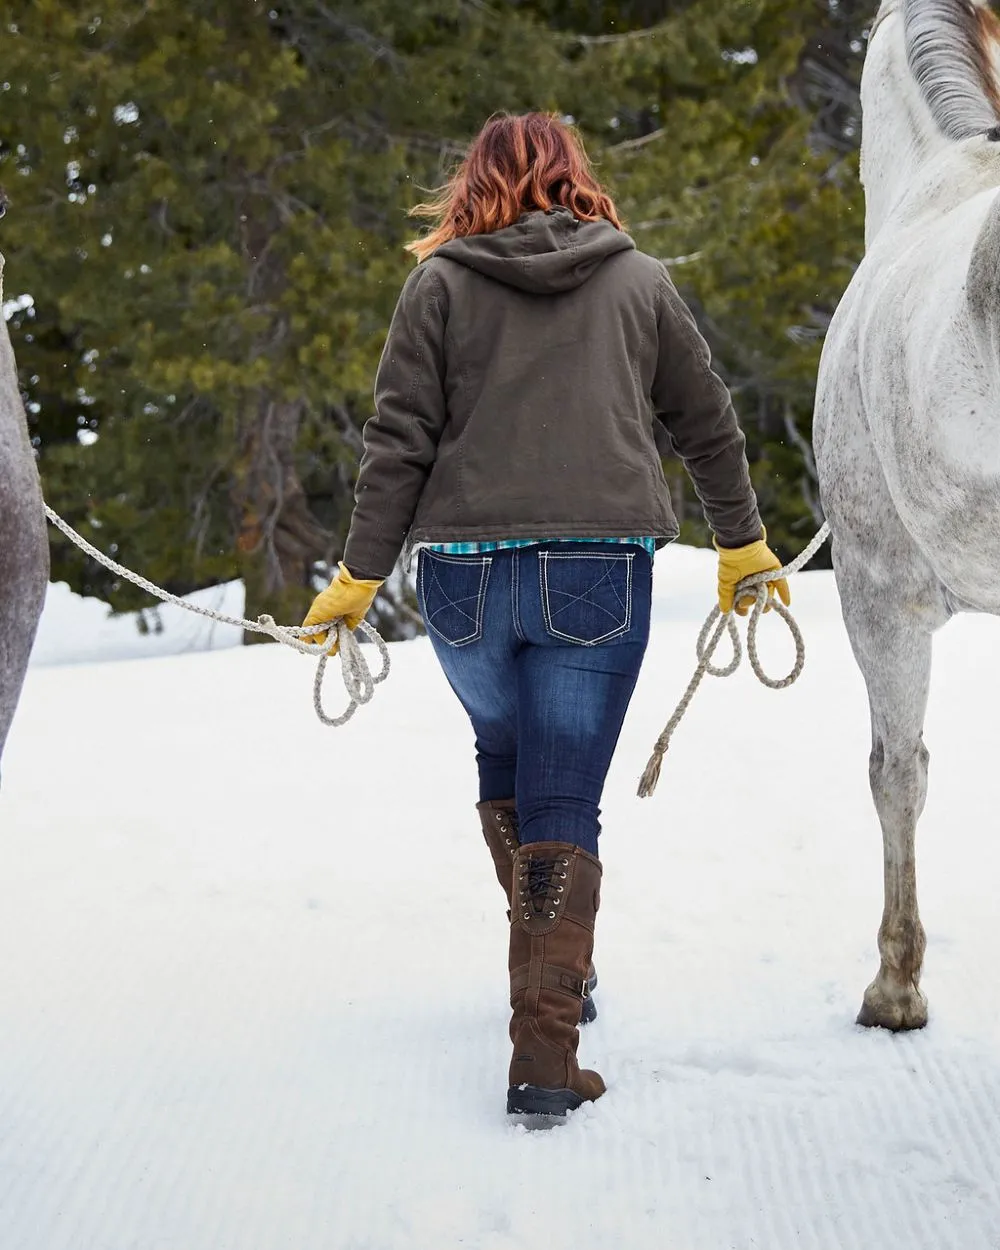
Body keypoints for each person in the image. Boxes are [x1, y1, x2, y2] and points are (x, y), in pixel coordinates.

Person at [302, 112, 789, 1126]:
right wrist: (740, 542)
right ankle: (543, 1055)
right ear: (577, 179)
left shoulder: (437, 284)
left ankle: (551, 973)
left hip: (463, 583)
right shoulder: (638, 279)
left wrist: (357, 575)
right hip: (594, 573)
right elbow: (706, 423)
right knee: (562, 794)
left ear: (473, 183)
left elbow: (396, 443)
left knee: (507, 754)